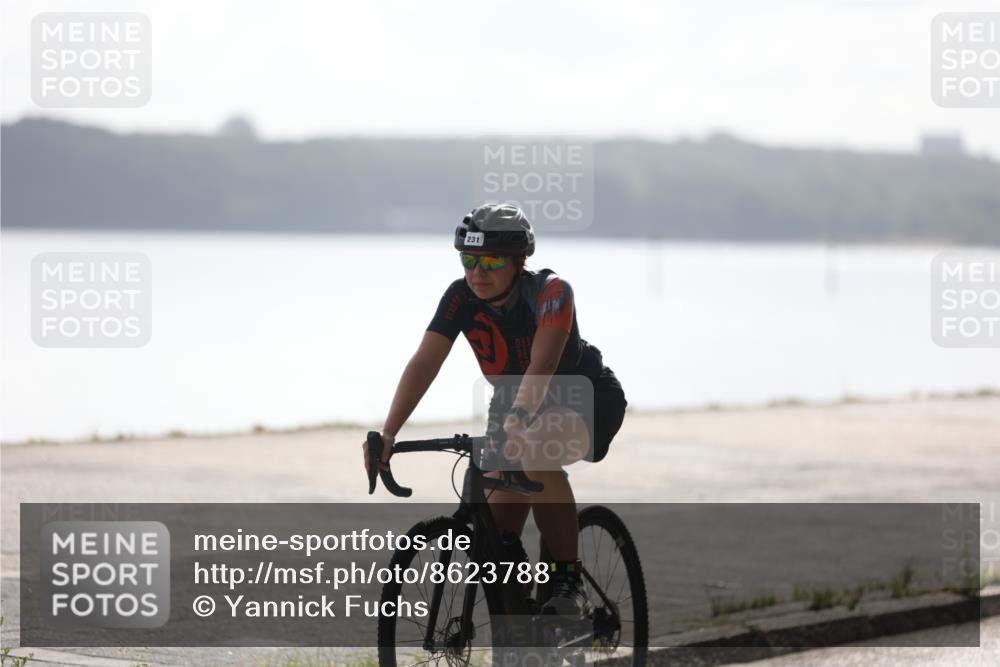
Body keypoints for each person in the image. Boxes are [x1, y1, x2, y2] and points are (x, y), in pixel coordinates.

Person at [363, 203, 627, 617]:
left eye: (490, 261)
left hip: (582, 396)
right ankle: (525, 622)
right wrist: (389, 432)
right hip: (511, 403)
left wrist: (519, 422)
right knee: (496, 540)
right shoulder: (460, 297)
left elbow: (542, 366)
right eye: (469, 260)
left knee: (537, 453)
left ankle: (567, 579)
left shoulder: (553, 293)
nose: (476, 273)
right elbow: (425, 361)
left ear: (520, 261)